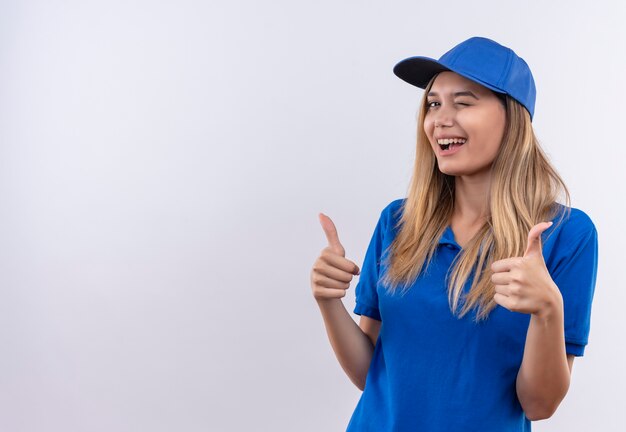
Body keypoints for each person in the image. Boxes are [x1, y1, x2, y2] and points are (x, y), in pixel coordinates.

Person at [310, 36, 598, 431]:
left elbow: (539, 405)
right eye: (433, 104)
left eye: (463, 102)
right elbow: (372, 375)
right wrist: (328, 302)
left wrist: (548, 309)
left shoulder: (566, 235)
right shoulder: (398, 222)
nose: (439, 119)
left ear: (513, 118)